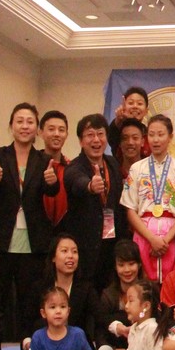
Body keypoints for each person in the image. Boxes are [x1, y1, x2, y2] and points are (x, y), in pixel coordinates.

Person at [0, 103, 59, 340]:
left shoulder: (43, 159)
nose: (25, 126)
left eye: (30, 122)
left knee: (29, 303)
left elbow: (51, 192)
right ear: (11, 126)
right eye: (20, 121)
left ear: (37, 129)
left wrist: (52, 182)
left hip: (32, 243)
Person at [120, 115, 175, 282]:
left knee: (172, 283)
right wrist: (151, 238)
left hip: (172, 235)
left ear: (170, 137)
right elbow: (130, 210)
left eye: (161, 134)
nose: (155, 140)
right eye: (151, 134)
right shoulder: (136, 169)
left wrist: (166, 240)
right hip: (144, 234)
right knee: (144, 285)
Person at [62, 113, 124, 293]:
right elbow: (76, 182)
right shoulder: (74, 167)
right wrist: (90, 186)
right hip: (85, 248)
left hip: (110, 245)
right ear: (81, 141)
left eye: (100, 134)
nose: (96, 140)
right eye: (90, 135)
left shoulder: (112, 163)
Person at [98, 240, 142, 350]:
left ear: (139, 264)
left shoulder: (148, 291)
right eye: (121, 265)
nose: (127, 270)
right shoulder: (108, 295)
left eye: (131, 264)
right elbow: (100, 331)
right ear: (115, 267)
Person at [38, 110, 70, 226]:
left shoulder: (71, 168)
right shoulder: (33, 165)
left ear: (66, 135)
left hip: (65, 230)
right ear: (40, 133)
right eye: (51, 129)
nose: (57, 134)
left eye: (61, 130)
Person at [107, 86, 149, 155]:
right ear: (124, 106)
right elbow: (110, 137)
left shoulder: (148, 134)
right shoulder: (118, 130)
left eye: (140, 103)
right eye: (130, 103)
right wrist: (118, 120)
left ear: (146, 111)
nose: (135, 106)